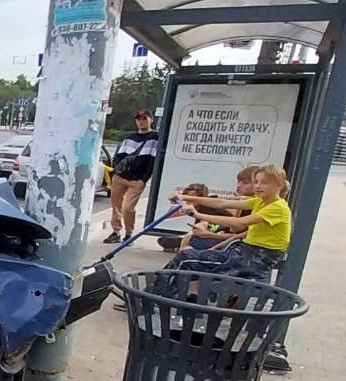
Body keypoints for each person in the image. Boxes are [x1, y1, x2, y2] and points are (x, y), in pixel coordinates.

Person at [166, 163, 292, 280]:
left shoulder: (277, 207)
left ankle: (159, 291)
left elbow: (240, 223)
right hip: (245, 252)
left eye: (264, 183)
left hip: (255, 258)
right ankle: (171, 291)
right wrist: (185, 197)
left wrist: (198, 215)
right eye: (256, 182)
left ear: (278, 185)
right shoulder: (260, 201)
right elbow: (223, 203)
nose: (258, 186)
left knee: (186, 257)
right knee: (190, 256)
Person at [105, 109, 158, 243]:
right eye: (138, 119)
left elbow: (152, 161)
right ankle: (116, 231)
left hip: (137, 179)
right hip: (121, 177)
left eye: (144, 119)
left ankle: (129, 234)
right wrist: (117, 172)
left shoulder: (155, 138)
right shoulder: (129, 138)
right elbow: (119, 156)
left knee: (128, 208)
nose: (141, 122)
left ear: (151, 120)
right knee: (116, 206)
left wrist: (143, 179)